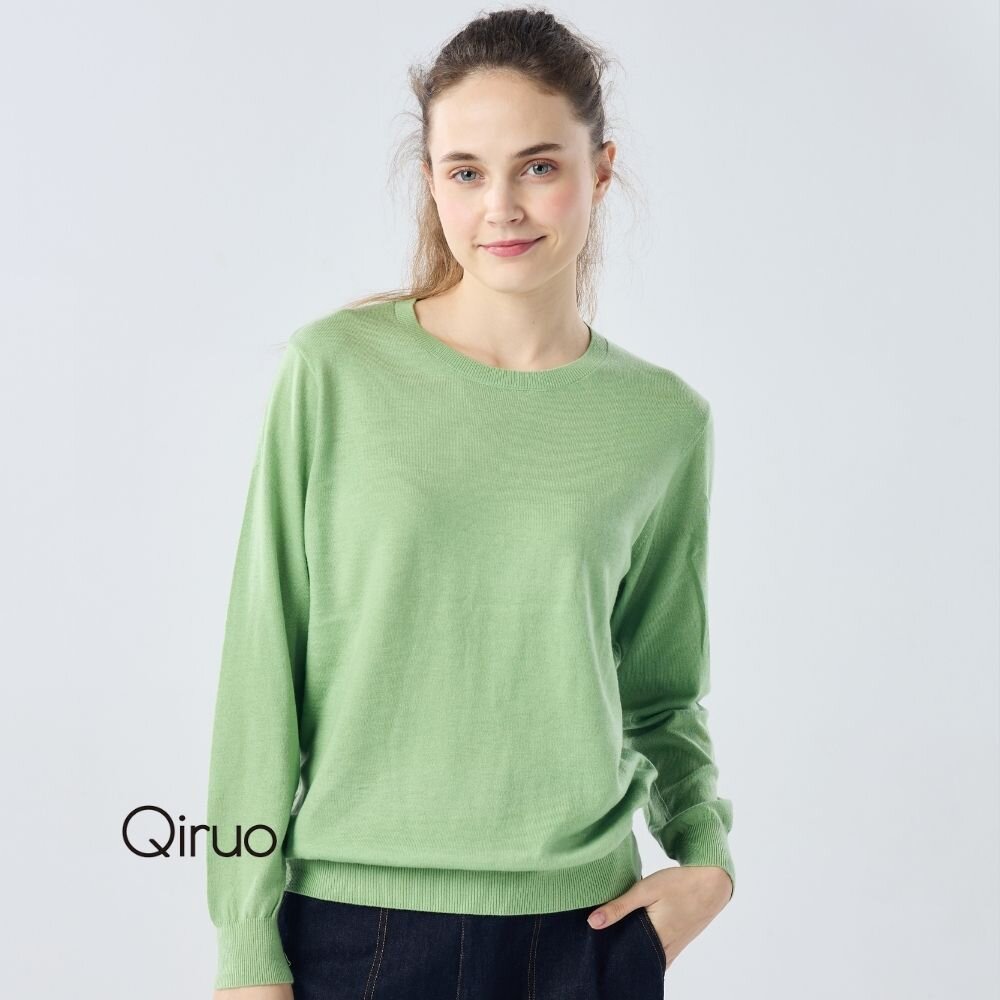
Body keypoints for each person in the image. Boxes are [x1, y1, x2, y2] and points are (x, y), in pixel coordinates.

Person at [206, 7, 735, 999]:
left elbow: (661, 691)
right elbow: (259, 668)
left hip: (583, 933)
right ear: (431, 181)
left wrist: (706, 856)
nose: (502, 207)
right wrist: (243, 946)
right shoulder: (336, 372)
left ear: (601, 170)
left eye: (538, 166)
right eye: (465, 172)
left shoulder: (663, 422)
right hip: (354, 929)